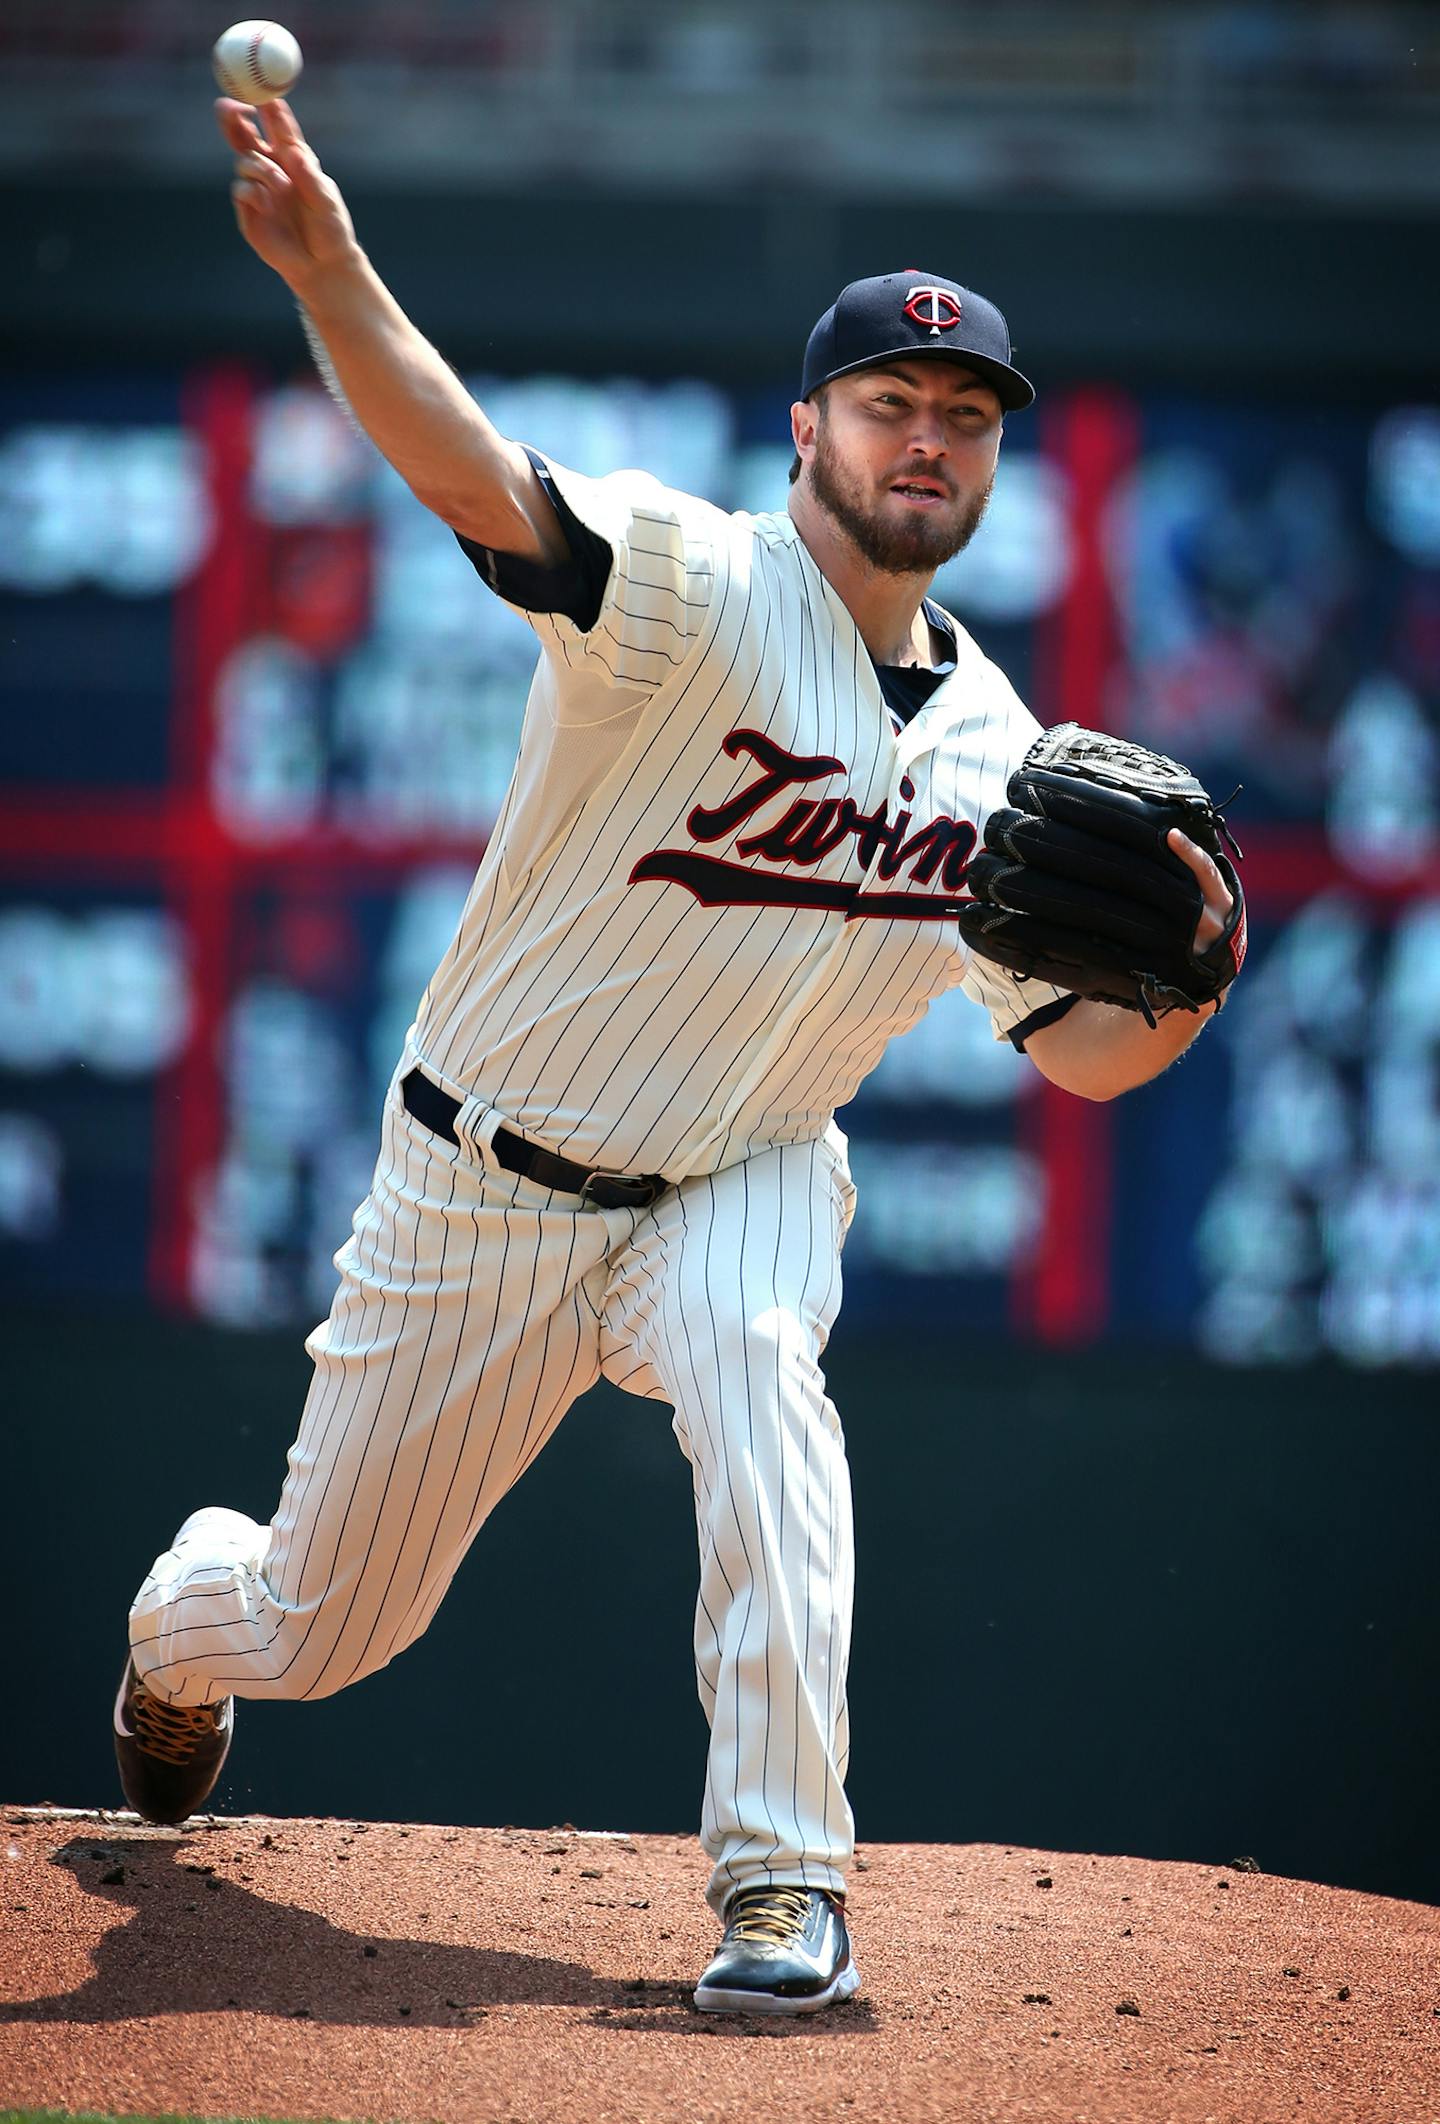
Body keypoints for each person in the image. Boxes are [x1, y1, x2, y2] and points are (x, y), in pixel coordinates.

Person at [113, 96, 1236, 2017]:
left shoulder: (1004, 755)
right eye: (892, 402)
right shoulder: (689, 588)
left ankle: (784, 1888)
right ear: (811, 429)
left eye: (966, 417)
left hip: (748, 1164)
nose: (929, 439)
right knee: (318, 1624)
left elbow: (1082, 1063)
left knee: (764, 1393)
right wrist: (326, 271)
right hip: (488, 1180)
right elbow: (473, 477)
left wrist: (1193, 988)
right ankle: (173, 1644)